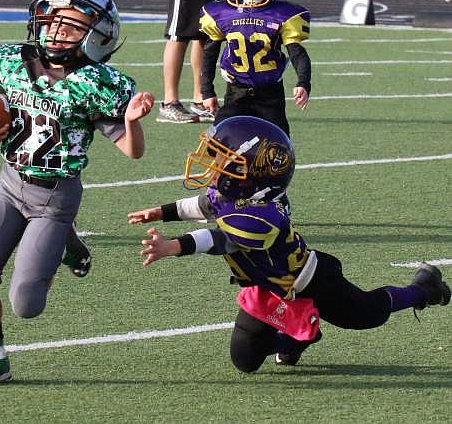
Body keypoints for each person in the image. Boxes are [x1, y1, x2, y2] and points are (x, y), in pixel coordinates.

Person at [128, 116, 451, 373]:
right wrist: (162, 212)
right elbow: (204, 205)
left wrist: (173, 246)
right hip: (267, 286)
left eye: (225, 161)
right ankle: (301, 335)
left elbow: (219, 240)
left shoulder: (262, 214)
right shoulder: (240, 192)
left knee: (366, 314)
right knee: (245, 360)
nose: (213, 167)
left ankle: (423, 288)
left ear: (255, 174)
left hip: (311, 281)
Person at [0, 0, 154, 387]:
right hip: (10, 185)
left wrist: (131, 122)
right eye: (53, 18)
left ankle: (65, 238)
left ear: (98, 36)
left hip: (55, 198)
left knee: (27, 303)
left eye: (72, 22)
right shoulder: (12, 61)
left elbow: (132, 152)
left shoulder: (96, 83)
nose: (58, 29)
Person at [199, 0, 311, 139]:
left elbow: (297, 53)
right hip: (235, 93)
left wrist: (303, 82)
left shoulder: (283, 15)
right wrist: (207, 91)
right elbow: (209, 53)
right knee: (218, 140)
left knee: (276, 148)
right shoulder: (221, 12)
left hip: (270, 95)